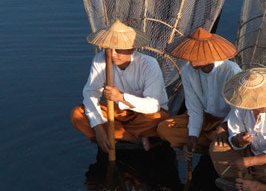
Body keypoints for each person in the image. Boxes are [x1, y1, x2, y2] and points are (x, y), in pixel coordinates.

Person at [72, 22, 185, 151]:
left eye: (118, 49)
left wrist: (120, 97)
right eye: (109, 49)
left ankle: (117, 134)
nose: (113, 54)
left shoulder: (148, 64)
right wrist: (98, 129)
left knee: (158, 120)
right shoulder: (101, 59)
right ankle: (133, 138)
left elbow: (153, 106)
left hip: (145, 115)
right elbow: (90, 93)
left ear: (131, 49)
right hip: (118, 112)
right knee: (78, 115)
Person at [173, 28, 240, 149]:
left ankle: (214, 140)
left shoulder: (231, 71)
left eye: (196, 56)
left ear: (210, 55)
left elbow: (239, 110)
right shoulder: (187, 71)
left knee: (226, 138)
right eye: (191, 55)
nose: (191, 60)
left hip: (226, 120)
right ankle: (209, 140)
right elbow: (194, 108)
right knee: (165, 129)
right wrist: (193, 136)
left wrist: (224, 126)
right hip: (205, 118)